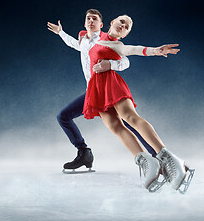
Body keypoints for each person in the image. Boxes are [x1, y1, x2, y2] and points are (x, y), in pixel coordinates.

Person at [83, 14, 194, 193]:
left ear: (125, 34)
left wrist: (155, 50)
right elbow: (83, 36)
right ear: (112, 22)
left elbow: (133, 50)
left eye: (127, 27)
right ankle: (146, 161)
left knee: (130, 117)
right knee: (114, 126)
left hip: (111, 83)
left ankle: (169, 159)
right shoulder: (96, 37)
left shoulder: (118, 45)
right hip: (96, 88)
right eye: (122, 22)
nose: (123, 26)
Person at [47, 9, 156, 173]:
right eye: (88, 19)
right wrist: (61, 32)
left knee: (128, 122)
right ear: (85, 23)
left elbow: (126, 61)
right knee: (63, 116)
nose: (91, 21)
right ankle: (84, 153)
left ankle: (156, 156)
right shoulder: (83, 41)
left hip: (107, 89)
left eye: (95, 19)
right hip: (92, 92)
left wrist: (110, 65)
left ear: (102, 24)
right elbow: (74, 44)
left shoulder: (106, 40)